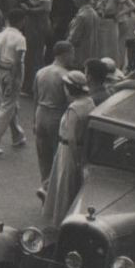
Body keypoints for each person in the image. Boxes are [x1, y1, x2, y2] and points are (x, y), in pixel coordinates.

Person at [41, 72, 94, 226]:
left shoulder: (73, 108)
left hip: (68, 149)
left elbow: (70, 136)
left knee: (64, 183)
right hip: (82, 146)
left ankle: (60, 219)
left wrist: (75, 159)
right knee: (74, 184)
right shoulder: (89, 102)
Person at [0, 10, 29, 155]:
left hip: (1, 71)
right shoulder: (20, 38)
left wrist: (2, 65)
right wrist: (13, 80)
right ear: (21, 21)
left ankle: (17, 135)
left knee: (10, 103)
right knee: (7, 106)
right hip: (13, 73)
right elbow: (17, 62)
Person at [31, 41, 74, 181]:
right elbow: (69, 101)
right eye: (71, 53)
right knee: (58, 155)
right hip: (56, 115)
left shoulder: (41, 72)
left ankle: (44, 183)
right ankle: (53, 190)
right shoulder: (65, 75)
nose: (73, 57)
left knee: (43, 155)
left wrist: (34, 120)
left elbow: (35, 98)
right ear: (65, 54)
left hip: (40, 114)